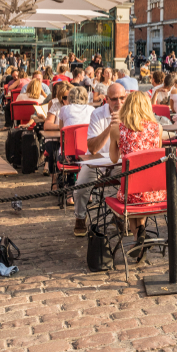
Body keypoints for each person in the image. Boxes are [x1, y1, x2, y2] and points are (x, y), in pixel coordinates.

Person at [109, 91, 164, 249]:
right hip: (155, 191)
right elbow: (155, 156)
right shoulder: (157, 128)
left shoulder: (118, 129)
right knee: (138, 194)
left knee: (130, 194)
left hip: (131, 192)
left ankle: (137, 236)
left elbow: (113, 158)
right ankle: (139, 234)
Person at [73, 83, 127, 237]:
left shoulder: (130, 113)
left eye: (122, 98)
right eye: (114, 99)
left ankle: (121, 214)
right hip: (97, 161)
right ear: (107, 100)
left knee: (131, 177)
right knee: (81, 185)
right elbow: (93, 148)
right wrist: (111, 126)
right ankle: (80, 217)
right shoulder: (97, 114)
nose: (119, 103)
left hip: (119, 162)